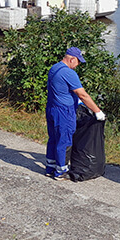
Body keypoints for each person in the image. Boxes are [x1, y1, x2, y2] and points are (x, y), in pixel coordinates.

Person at [45, 47, 105, 180]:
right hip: (64, 112)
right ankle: (61, 171)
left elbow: (61, 89)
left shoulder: (54, 68)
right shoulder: (69, 73)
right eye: (78, 62)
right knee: (64, 141)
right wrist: (97, 111)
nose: (77, 65)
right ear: (72, 59)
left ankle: (50, 168)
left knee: (54, 139)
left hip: (52, 108)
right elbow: (83, 94)